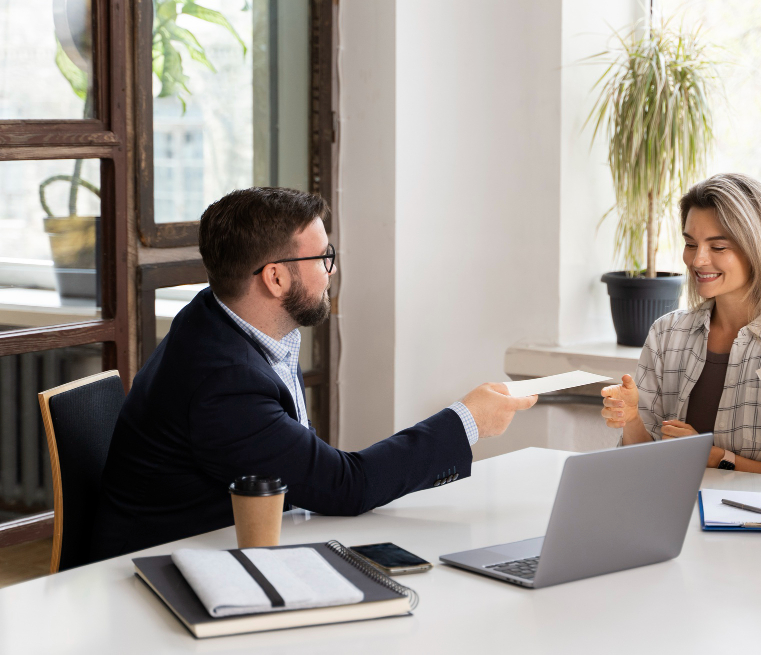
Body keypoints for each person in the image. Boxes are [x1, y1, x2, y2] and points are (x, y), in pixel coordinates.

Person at [90, 187, 536, 560]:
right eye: (324, 257)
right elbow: (345, 486)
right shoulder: (223, 382)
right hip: (174, 571)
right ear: (276, 279)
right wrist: (469, 420)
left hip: (238, 544)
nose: (333, 269)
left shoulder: (222, 317)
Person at [600, 173, 761, 479]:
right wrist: (630, 419)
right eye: (690, 244)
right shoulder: (667, 334)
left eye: (718, 247)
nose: (698, 260)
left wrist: (715, 457)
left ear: (758, 250)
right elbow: (644, 464)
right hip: (673, 514)